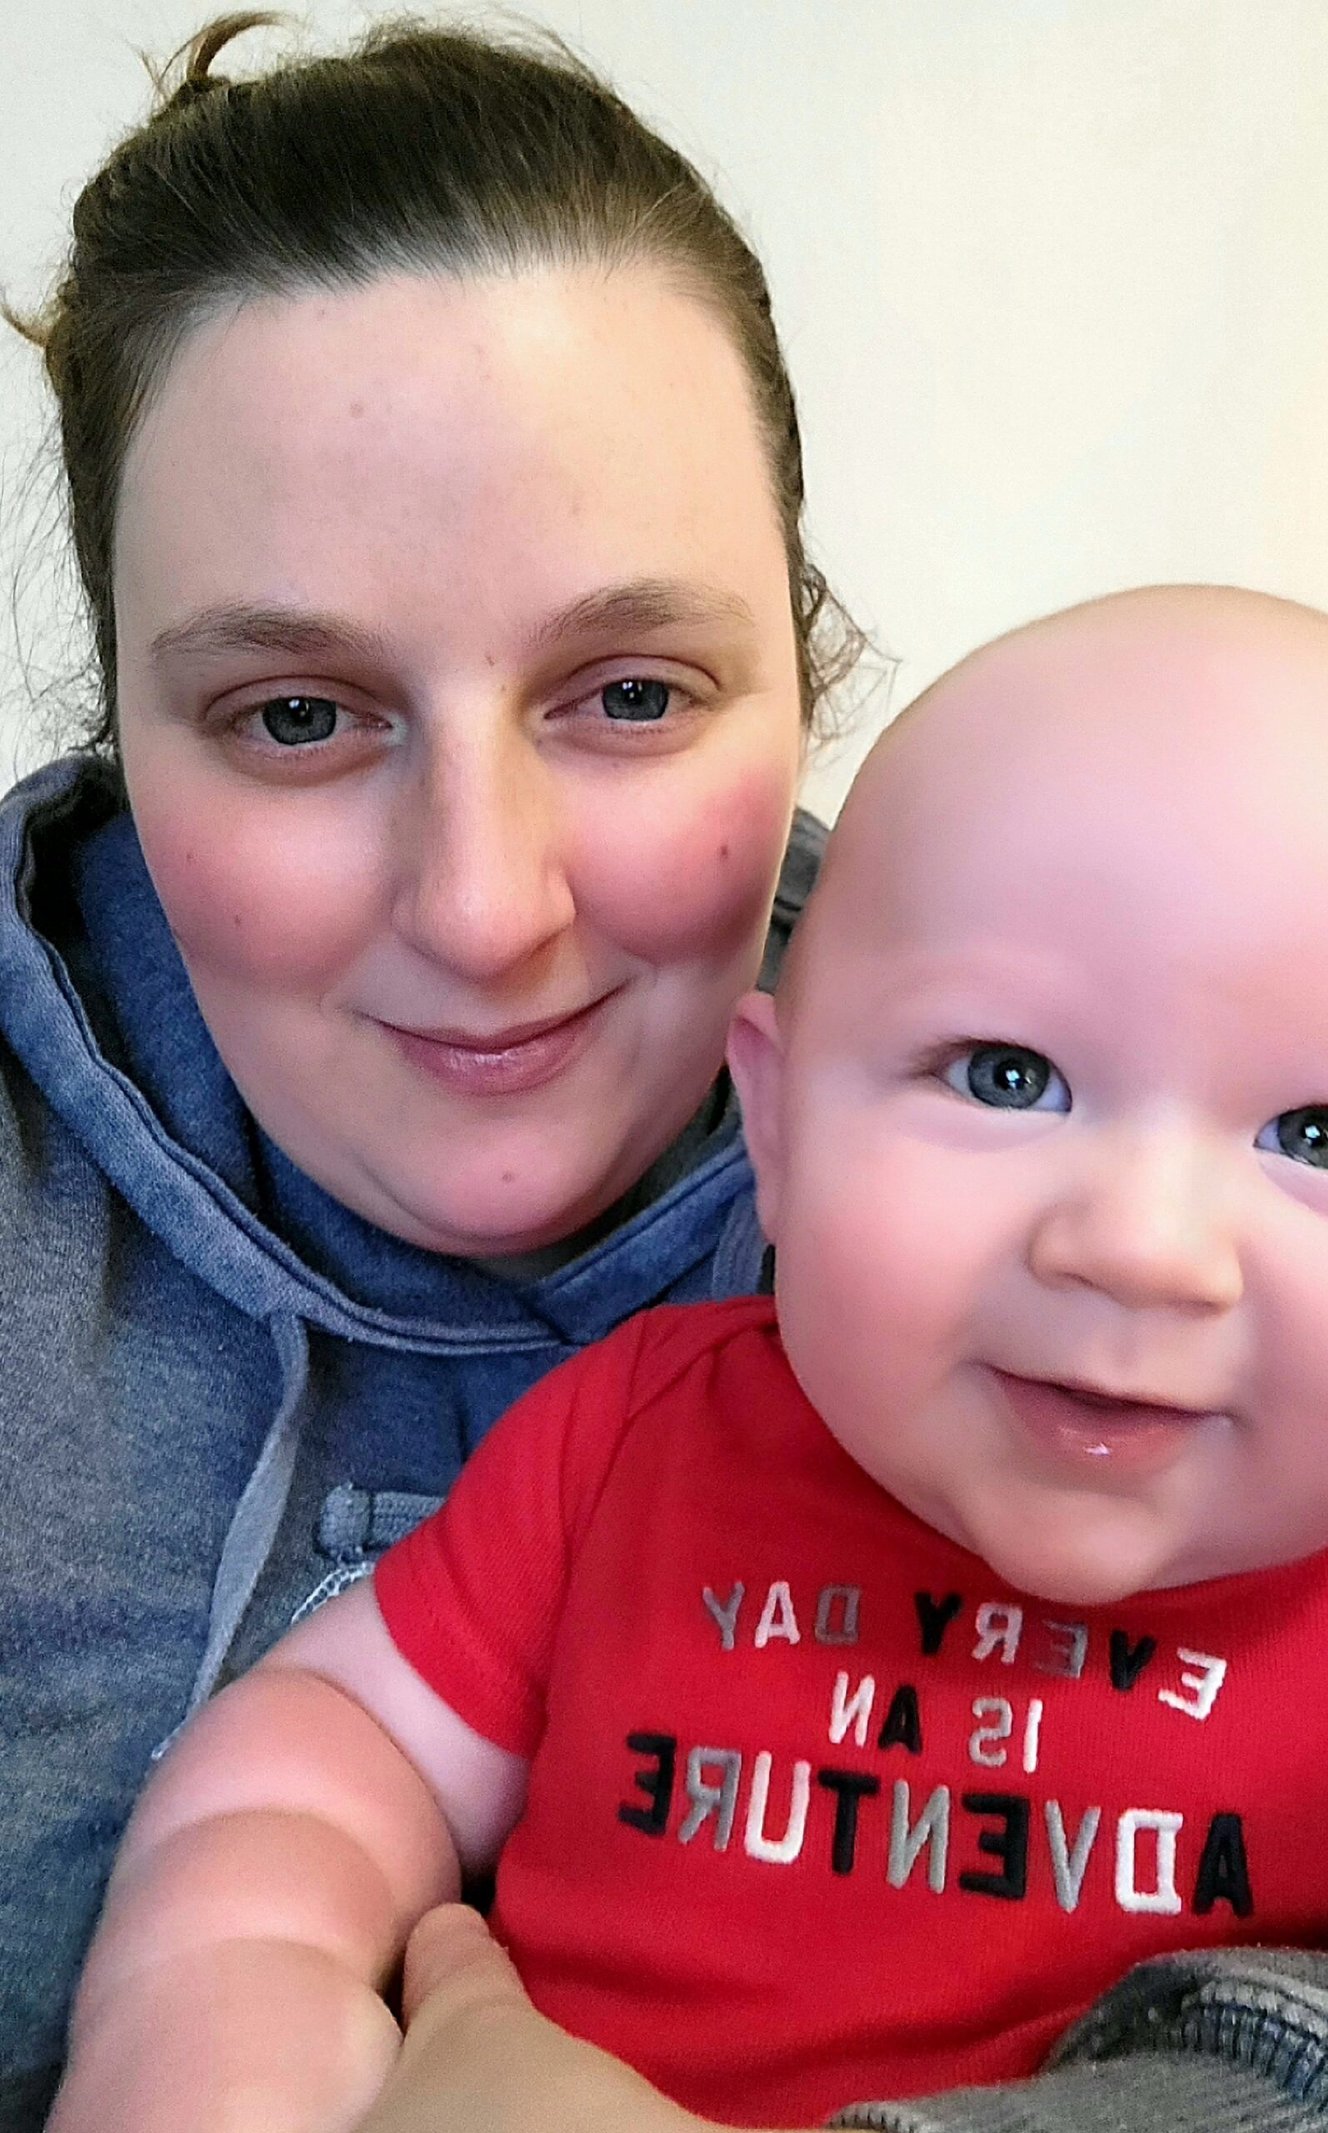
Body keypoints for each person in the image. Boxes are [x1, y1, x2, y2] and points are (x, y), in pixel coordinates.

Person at [49, 587, 1328, 2133]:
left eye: (1326, 1135)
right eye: (1007, 1075)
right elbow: (341, 1746)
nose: (1142, 1246)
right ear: (779, 1128)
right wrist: (232, 1980)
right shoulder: (638, 1439)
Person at [0, 14, 860, 2121]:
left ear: (807, 670)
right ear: (126, 736)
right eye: (300, 717)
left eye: (630, 693)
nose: (483, 908)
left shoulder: (1110, 1144)